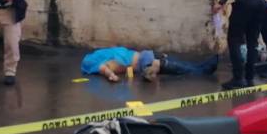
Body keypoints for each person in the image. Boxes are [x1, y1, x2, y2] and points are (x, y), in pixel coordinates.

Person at [82, 47, 219, 83]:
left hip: (144, 57)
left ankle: (201, 68)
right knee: (174, 65)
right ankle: (203, 70)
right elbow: (104, 69)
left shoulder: (95, 57)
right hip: (143, 61)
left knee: (176, 64)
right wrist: (111, 76)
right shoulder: (92, 63)